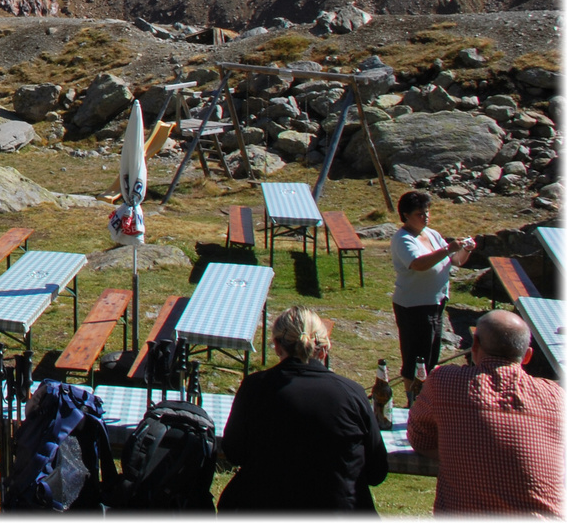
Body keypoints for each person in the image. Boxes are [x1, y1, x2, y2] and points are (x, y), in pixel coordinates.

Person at [218, 306, 388, 512]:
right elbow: (377, 471)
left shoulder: (255, 388)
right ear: (324, 349)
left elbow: (234, 452)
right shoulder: (352, 394)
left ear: (277, 346)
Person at [407, 308, 563, 515]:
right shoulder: (556, 396)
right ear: (527, 356)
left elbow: (420, 440)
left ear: (476, 344)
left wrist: (463, 451)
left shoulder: (444, 382)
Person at [390, 190, 472, 384]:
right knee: (415, 359)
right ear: (406, 215)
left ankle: (424, 393)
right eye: (420, 213)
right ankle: (413, 398)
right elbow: (418, 264)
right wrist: (447, 249)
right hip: (414, 306)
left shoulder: (432, 234)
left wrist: (465, 250)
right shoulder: (403, 239)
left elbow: (456, 261)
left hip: (435, 302)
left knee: (431, 355)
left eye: (427, 212)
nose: (425, 217)